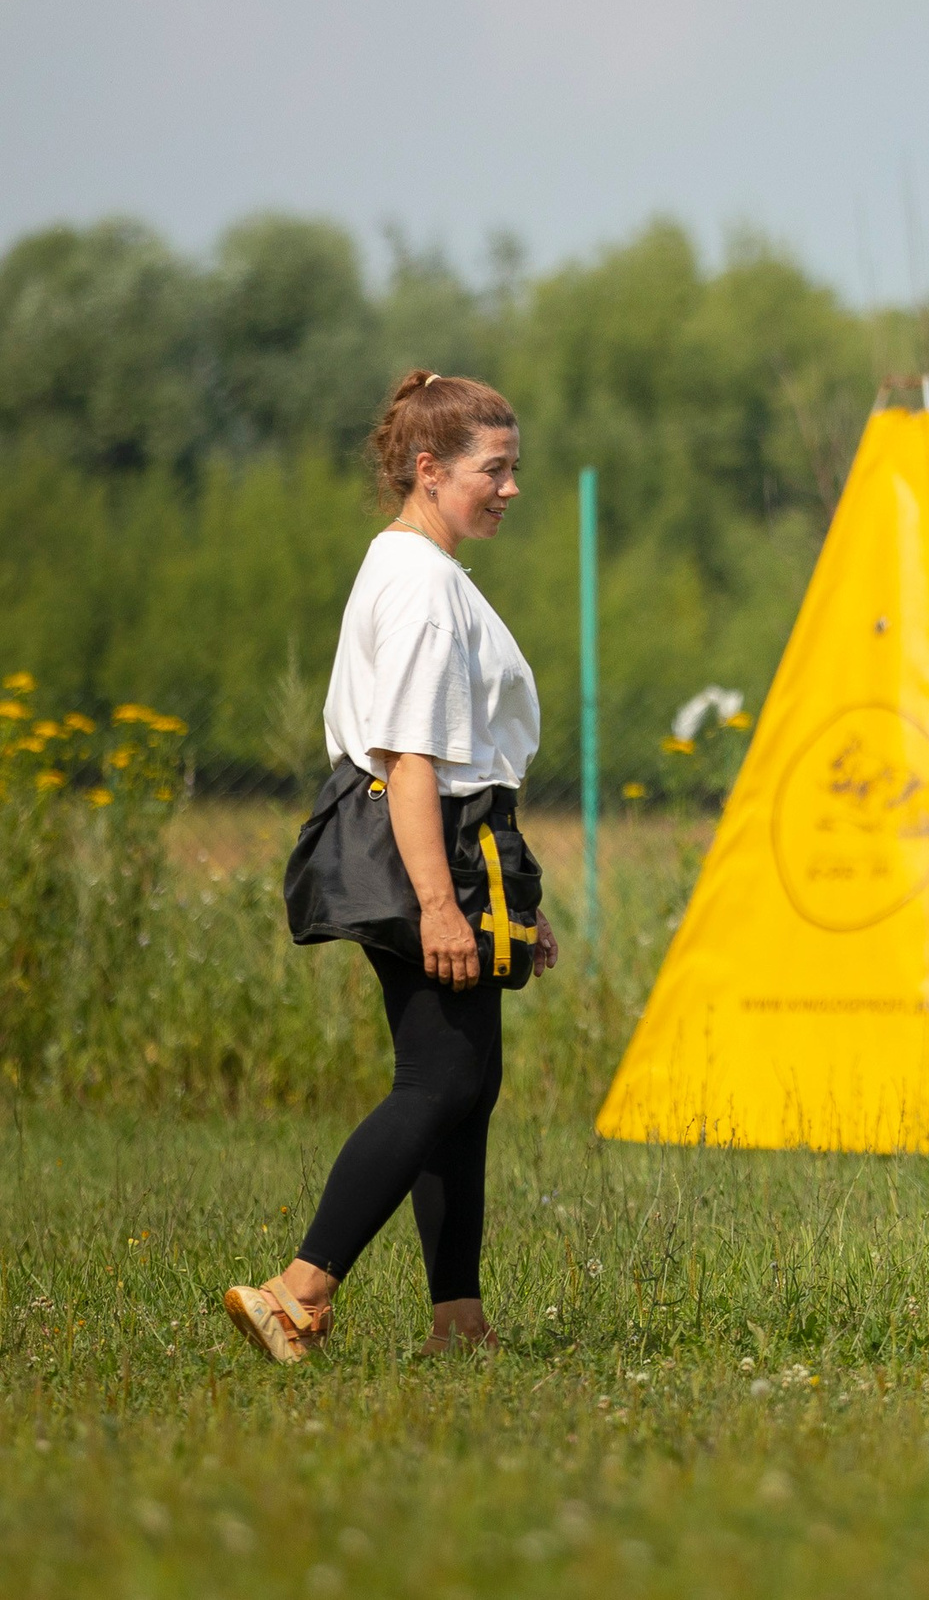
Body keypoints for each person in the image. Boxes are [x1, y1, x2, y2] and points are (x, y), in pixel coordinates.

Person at [224, 370, 557, 1362]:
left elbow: (468, 765)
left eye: (513, 468)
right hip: (428, 848)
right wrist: (441, 907)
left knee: (466, 1084)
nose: (510, 488)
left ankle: (458, 1323)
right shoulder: (419, 585)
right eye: (494, 469)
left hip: (463, 846)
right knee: (438, 1080)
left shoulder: (426, 571)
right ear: (428, 469)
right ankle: (297, 1293)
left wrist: (511, 902)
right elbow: (411, 759)